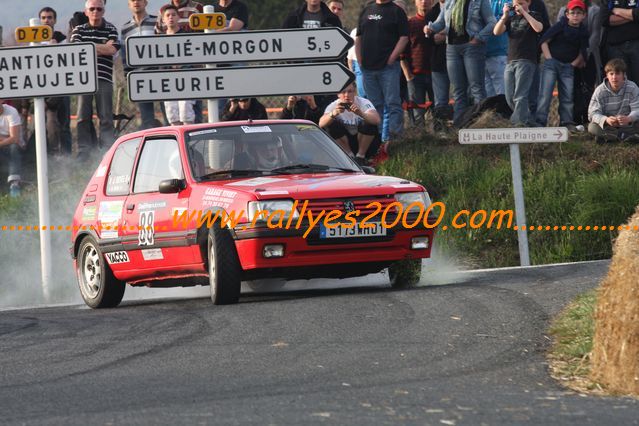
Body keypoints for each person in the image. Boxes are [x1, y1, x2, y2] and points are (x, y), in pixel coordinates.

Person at [425, 0, 497, 125]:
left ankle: (481, 124)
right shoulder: (449, 2)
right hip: (452, 47)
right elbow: (441, 22)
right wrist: (430, 28)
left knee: (476, 88)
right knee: (458, 90)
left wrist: (479, 37)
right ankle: (460, 125)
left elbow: (492, 23)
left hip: (472, 47)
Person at [70, 0, 120, 159]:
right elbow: (75, 51)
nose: (95, 11)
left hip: (104, 78)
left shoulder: (111, 28)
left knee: (106, 117)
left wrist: (88, 47)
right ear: (86, 12)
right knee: (82, 117)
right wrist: (101, 47)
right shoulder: (78, 29)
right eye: (92, 8)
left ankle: (107, 152)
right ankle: (83, 152)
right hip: (84, 79)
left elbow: (112, 49)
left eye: (99, 8)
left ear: (103, 11)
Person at [356, 0, 408, 142]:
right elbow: (358, 37)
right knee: (373, 106)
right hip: (367, 68)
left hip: (388, 68)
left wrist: (392, 57)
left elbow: (404, 37)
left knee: (393, 103)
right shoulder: (366, 10)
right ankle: (375, 142)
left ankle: (394, 140)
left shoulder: (396, 11)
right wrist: (359, 59)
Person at [535, 0, 588, 129]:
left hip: (568, 67)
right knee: (545, 94)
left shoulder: (583, 32)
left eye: (578, 13)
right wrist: (549, 59)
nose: (575, 16)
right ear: (567, 14)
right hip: (552, 64)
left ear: (584, 15)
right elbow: (544, 42)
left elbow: (583, 52)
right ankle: (540, 121)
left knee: (567, 96)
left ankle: (566, 121)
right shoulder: (560, 26)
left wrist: (573, 65)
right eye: (572, 13)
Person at [493, 0, 543, 126]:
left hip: (526, 60)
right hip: (510, 60)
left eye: (521, 3)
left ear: (528, 3)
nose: (518, 6)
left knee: (520, 95)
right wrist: (504, 16)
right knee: (510, 96)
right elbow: (496, 32)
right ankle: (528, 122)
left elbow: (538, 28)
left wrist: (524, 13)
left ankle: (517, 124)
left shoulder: (534, 15)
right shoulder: (511, 18)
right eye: (516, 4)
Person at [319, 83, 381, 165]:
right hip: (347, 143)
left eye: (350, 91)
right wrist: (333, 113)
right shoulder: (333, 105)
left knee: (368, 122)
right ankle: (349, 156)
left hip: (365, 143)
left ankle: (360, 157)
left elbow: (376, 120)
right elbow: (321, 124)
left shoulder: (363, 102)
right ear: (338, 94)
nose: (346, 95)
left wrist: (361, 113)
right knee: (330, 124)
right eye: (343, 92)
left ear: (355, 92)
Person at [40, 6, 72, 156]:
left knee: (64, 124)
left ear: (55, 20)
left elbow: (66, 62)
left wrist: (54, 47)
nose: (47, 20)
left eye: (50, 17)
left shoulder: (62, 38)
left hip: (62, 87)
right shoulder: (34, 41)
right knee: (45, 125)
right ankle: (48, 158)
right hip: (43, 90)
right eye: (44, 17)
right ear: (40, 20)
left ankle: (66, 157)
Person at [122, 0, 159, 131]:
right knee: (147, 120)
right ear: (129, 4)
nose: (136, 2)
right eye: (132, 0)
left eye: (139, 0)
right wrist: (129, 78)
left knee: (169, 115)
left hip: (161, 77)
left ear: (146, 3)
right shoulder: (125, 28)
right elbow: (125, 56)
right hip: (140, 80)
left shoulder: (157, 21)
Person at [588, 58, 639, 143]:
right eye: (611, 74)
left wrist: (629, 118)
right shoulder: (600, 90)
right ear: (607, 75)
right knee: (592, 127)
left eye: (618, 73)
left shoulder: (632, 87)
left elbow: (637, 109)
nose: (614, 77)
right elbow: (592, 114)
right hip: (609, 126)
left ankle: (610, 138)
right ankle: (624, 137)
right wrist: (606, 120)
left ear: (624, 75)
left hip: (628, 124)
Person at [401, 0, 434, 126]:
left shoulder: (439, 22)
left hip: (436, 74)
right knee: (417, 112)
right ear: (415, 3)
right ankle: (420, 138)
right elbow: (402, 53)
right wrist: (408, 75)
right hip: (415, 75)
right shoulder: (410, 24)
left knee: (439, 108)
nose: (424, 2)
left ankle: (440, 137)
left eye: (427, 0)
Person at [161, 5, 196, 125]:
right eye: (167, 15)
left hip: (186, 80)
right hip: (168, 82)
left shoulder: (186, 36)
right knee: (172, 116)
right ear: (163, 19)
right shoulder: (158, 40)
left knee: (186, 113)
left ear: (178, 18)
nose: (171, 17)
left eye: (173, 14)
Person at [600, 0, 639, 84]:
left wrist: (616, 11)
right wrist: (632, 16)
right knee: (620, 83)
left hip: (636, 44)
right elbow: (604, 19)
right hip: (615, 47)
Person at [484, 0, 508, 97]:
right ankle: (490, 113)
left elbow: (505, 18)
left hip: (499, 53)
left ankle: (503, 112)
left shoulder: (505, 1)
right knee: (488, 97)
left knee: (502, 94)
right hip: (481, 54)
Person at [0, 101, 23, 197]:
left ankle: (14, 183)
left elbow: (15, 138)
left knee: (13, 148)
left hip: (14, 145)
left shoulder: (11, 111)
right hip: (5, 143)